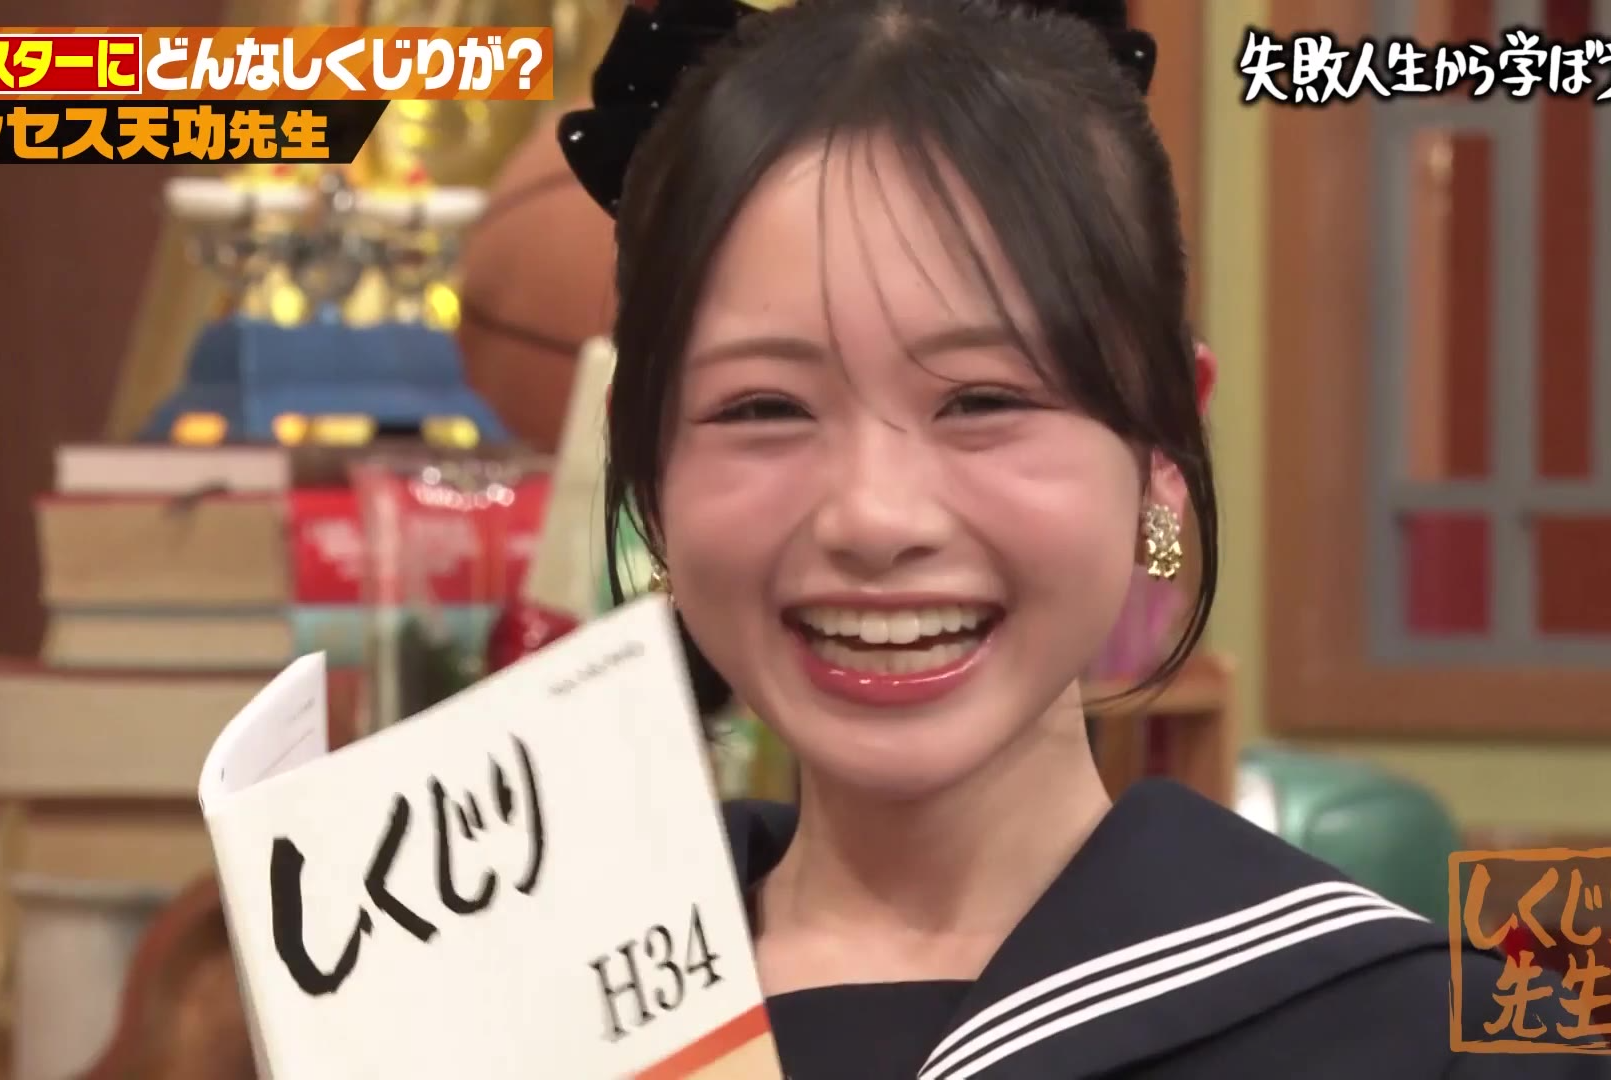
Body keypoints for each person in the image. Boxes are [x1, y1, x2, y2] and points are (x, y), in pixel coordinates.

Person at [559, 0, 1611, 1075]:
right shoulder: (524, 1010)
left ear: (1164, 438)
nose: (874, 517)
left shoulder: (1451, 1041)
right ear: (646, 464)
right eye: (764, 407)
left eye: (983, 400)